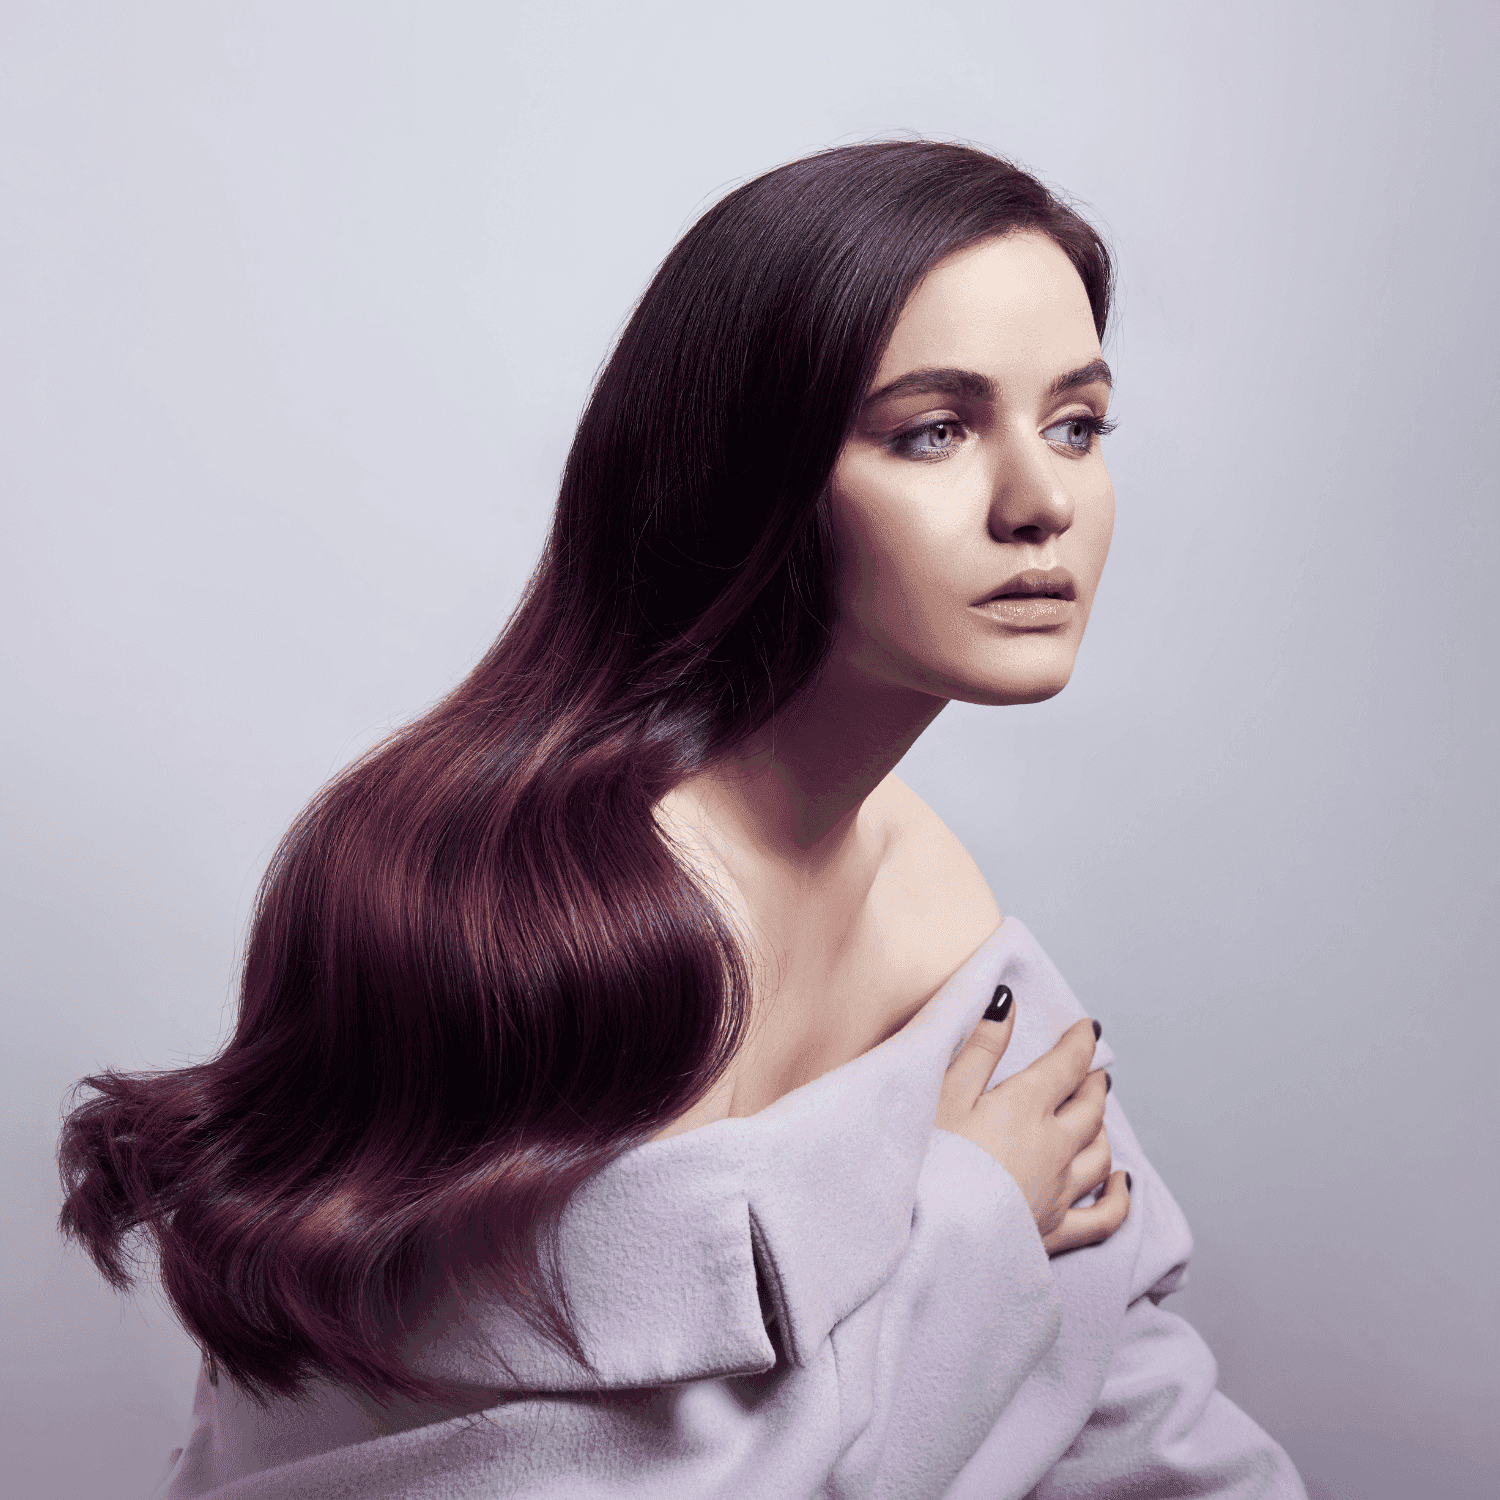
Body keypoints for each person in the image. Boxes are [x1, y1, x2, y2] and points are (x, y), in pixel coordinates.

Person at [58, 140, 1307, 1498]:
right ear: (745, 476)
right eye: (932, 431)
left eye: (1076, 424)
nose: (1042, 503)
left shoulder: (924, 885)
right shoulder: (557, 920)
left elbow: (1114, 1358)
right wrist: (968, 1231)